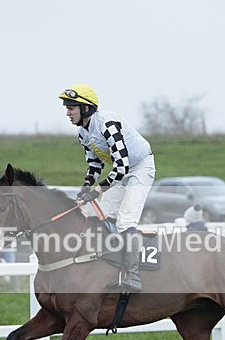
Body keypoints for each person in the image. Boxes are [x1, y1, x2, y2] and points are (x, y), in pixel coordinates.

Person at [60, 85, 155, 293]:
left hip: (140, 167)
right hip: (122, 170)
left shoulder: (108, 124)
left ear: (85, 108)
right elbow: (95, 165)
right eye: (67, 108)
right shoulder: (83, 133)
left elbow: (122, 166)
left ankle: (133, 276)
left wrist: (98, 189)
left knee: (126, 220)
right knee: (107, 216)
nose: (67, 112)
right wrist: (86, 186)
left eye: (71, 108)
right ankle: (112, 269)